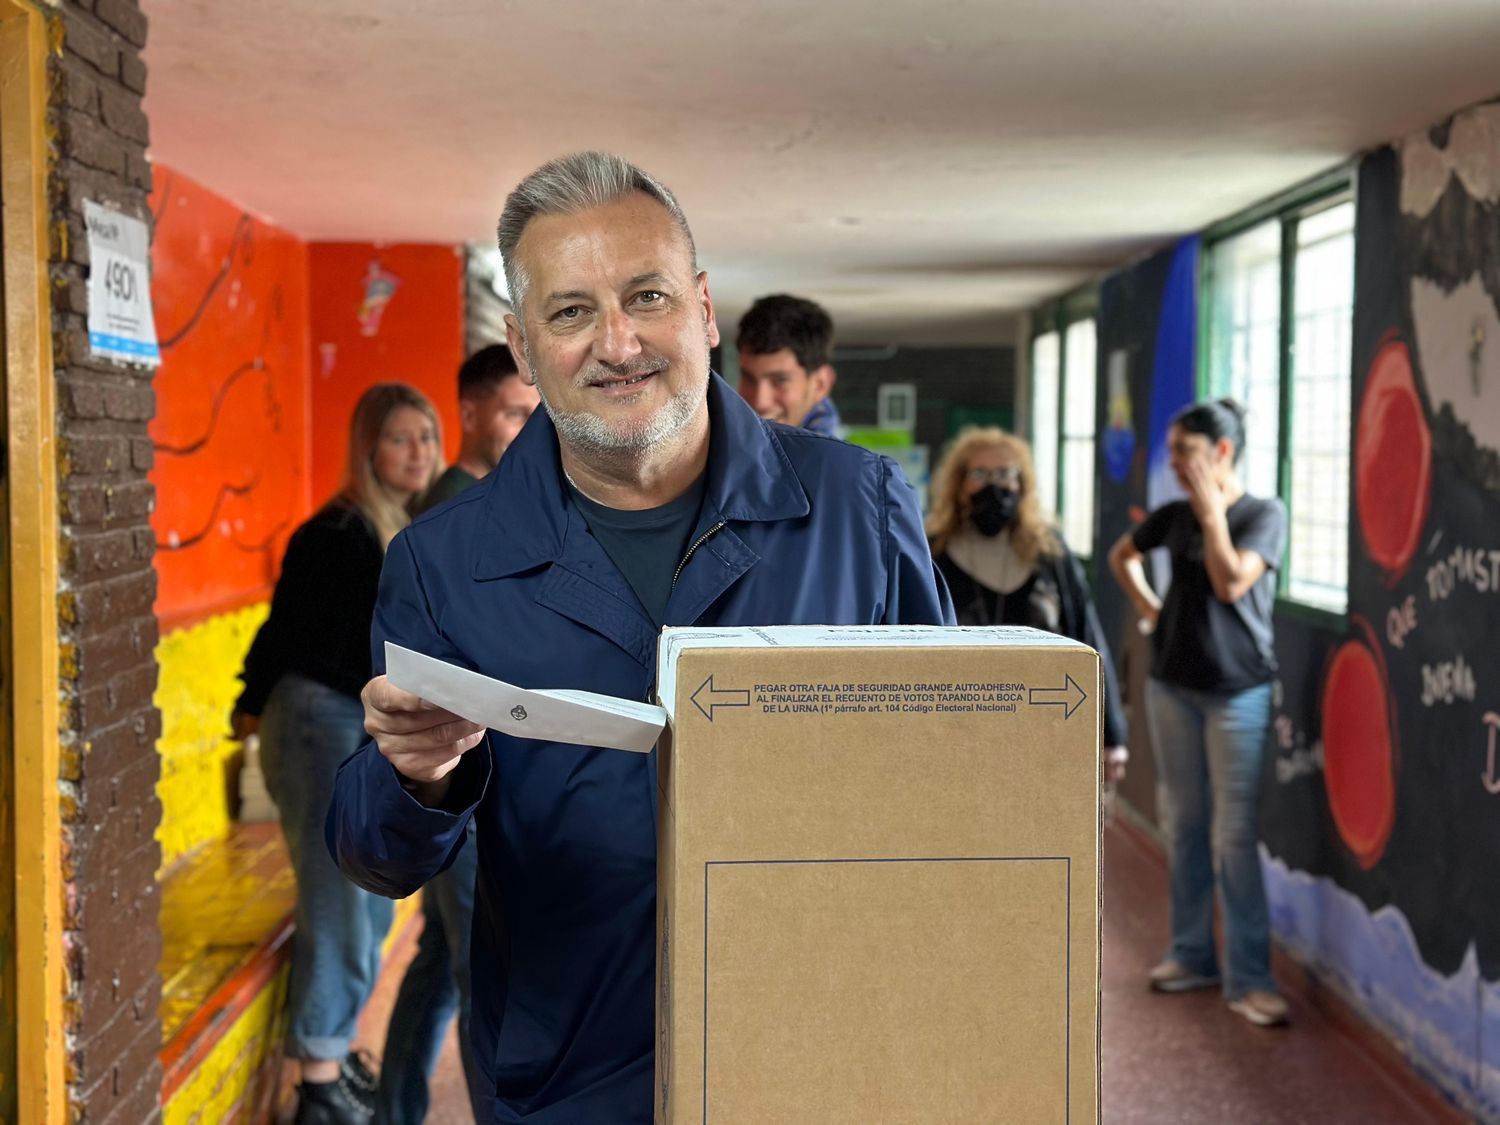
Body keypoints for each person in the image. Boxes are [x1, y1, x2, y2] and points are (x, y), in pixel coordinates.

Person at [327, 151, 954, 1123]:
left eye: (646, 296)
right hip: (567, 1076)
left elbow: (951, 776)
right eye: (571, 311)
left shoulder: (853, 507)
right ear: (524, 349)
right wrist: (415, 776)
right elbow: (375, 856)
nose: (618, 342)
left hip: (821, 1054)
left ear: (705, 311)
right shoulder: (444, 563)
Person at [231, 383, 442, 1124]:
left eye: (425, 436)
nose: (416, 451)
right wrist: (247, 705)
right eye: (398, 438)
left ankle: (333, 1048)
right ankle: (318, 1082)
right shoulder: (339, 531)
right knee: (340, 899)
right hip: (319, 716)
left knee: (371, 898)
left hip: (353, 720)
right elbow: (285, 632)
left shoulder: (402, 526)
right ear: (367, 448)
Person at [376, 345, 539, 1123]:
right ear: (469, 414)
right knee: (485, 978)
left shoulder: (507, 497)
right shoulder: (454, 512)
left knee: (444, 957)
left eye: (535, 412)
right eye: (512, 412)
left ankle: (395, 1106)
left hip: (487, 773)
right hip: (462, 775)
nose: (529, 427)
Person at [1107, 398, 1289, 1028]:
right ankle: (1191, 955)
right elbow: (1120, 556)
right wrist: (1152, 609)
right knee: (1183, 826)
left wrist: (1214, 517)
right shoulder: (1172, 515)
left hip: (1238, 692)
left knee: (1231, 836)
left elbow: (1231, 582)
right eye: (1173, 453)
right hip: (1172, 688)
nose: (1176, 465)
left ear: (1222, 453)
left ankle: (1251, 979)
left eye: (1185, 452)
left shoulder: (1264, 514)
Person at [927, 427, 1128, 779]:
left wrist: (1112, 733)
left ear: (1023, 485)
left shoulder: (1050, 553)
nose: (995, 485)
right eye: (980, 473)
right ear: (959, 486)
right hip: (955, 725)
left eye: (1006, 473)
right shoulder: (932, 553)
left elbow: (1087, 636)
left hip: (1046, 720)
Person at [419, 343, 540, 510]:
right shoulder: (455, 507)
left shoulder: (493, 495)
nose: (533, 429)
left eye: (538, 415)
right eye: (515, 414)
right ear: (468, 416)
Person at [736, 293, 842, 434]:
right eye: (749, 378)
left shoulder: (826, 454)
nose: (760, 402)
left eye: (780, 380)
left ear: (820, 384)